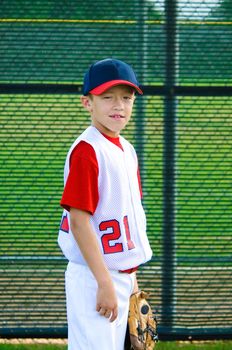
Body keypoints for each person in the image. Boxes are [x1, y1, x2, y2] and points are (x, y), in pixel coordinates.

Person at [58, 58, 152, 350]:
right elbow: (79, 221)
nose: (118, 106)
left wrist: (132, 280)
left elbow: (128, 220)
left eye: (127, 97)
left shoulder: (126, 149)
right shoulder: (88, 152)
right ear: (88, 103)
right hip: (93, 277)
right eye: (107, 97)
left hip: (120, 277)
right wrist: (104, 283)